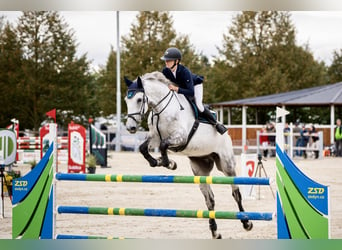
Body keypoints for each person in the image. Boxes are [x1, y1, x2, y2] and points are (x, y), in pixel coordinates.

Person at [160, 47, 227, 134]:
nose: (166, 62)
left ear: (176, 61)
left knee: (199, 106)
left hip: (195, 86)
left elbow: (191, 92)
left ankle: (216, 124)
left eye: (169, 60)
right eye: (166, 60)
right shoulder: (165, 71)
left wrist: (176, 89)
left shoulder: (185, 71)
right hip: (182, 87)